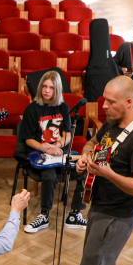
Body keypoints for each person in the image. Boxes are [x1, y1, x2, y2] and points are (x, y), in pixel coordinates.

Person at [74, 75, 133, 265]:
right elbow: (93, 142)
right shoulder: (113, 121)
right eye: (105, 100)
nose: (104, 106)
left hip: (117, 216)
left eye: (111, 102)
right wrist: (85, 156)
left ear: (129, 102)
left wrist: (109, 174)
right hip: (99, 206)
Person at [15, 70, 87, 233]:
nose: (47, 90)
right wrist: (46, 147)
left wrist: (59, 145)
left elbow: (68, 134)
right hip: (39, 154)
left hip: (59, 154)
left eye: (52, 88)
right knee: (50, 176)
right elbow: (28, 139)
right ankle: (44, 215)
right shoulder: (32, 109)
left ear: (57, 90)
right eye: (45, 86)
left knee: (83, 171)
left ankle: (74, 214)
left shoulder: (63, 107)